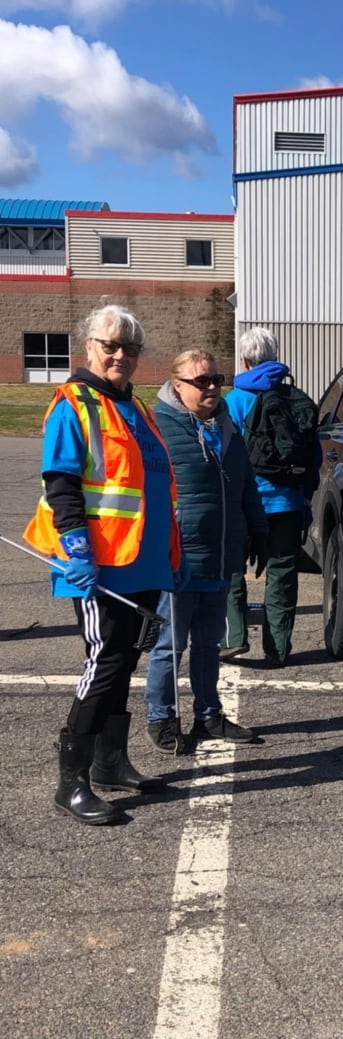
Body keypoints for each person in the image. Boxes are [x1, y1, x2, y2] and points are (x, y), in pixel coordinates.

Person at [23, 303, 182, 825]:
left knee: (125, 662)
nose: (120, 355)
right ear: (88, 346)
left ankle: (112, 762)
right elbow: (62, 484)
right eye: (110, 345)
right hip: (102, 565)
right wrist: (78, 551)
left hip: (143, 563)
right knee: (105, 662)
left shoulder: (135, 408)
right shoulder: (74, 403)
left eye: (130, 348)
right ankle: (71, 780)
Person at [144, 350, 267, 751]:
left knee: (210, 642)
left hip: (220, 553)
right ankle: (161, 717)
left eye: (217, 379)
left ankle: (208, 714)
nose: (212, 387)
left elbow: (246, 483)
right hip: (178, 555)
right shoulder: (160, 426)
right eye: (202, 381)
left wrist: (258, 531)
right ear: (177, 385)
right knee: (170, 644)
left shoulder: (227, 424)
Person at [223, 326, 317, 667]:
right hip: (287, 501)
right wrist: (303, 496)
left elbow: (224, 454)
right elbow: (313, 456)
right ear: (275, 357)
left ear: (245, 360)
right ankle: (277, 648)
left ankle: (234, 636)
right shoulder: (296, 398)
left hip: (244, 501)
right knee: (282, 573)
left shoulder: (233, 401)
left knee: (231, 568)